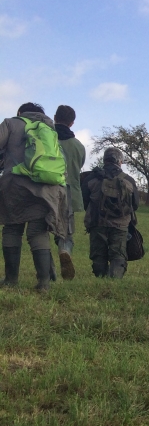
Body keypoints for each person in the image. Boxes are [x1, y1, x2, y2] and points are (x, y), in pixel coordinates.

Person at [0, 102, 67, 291]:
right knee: (38, 232)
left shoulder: (11, 123)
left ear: (20, 112)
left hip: (15, 186)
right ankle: (43, 283)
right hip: (46, 188)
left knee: (12, 229)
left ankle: (11, 280)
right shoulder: (50, 130)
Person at [83, 148, 139, 278]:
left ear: (104, 160)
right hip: (121, 224)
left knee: (98, 254)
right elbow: (135, 204)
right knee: (118, 253)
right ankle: (114, 281)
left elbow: (84, 200)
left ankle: (101, 279)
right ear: (120, 162)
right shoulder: (129, 180)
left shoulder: (91, 178)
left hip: (97, 222)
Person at [53, 104, 85, 281]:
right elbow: (78, 168)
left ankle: (47, 272)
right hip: (68, 193)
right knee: (65, 232)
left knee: (40, 233)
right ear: (72, 123)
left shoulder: (46, 139)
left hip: (45, 190)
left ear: (54, 118)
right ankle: (64, 250)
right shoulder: (78, 146)